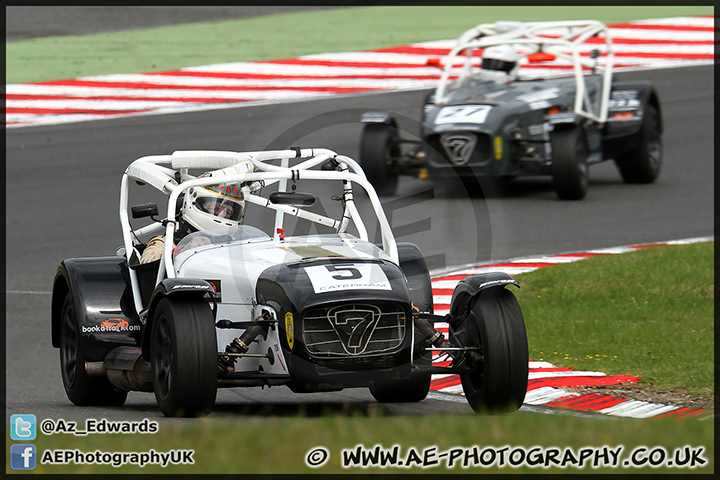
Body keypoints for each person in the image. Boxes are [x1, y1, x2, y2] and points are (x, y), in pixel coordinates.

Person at [140, 182, 245, 264]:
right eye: (215, 208)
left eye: (227, 212)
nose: (221, 215)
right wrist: (183, 250)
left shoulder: (237, 246)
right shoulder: (166, 243)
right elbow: (147, 261)